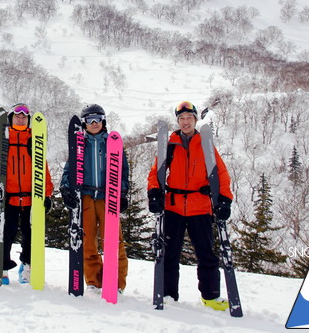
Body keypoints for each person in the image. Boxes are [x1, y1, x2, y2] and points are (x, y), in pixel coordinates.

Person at [146, 101, 233, 311]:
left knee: (206, 254)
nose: (186, 122)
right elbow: (155, 173)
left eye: (189, 118)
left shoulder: (205, 145)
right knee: (169, 253)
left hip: (200, 207)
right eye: (182, 119)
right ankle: (168, 294)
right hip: (174, 207)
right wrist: (154, 193)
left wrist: (225, 199)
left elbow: (221, 173)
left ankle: (210, 297)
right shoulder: (170, 145)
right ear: (178, 122)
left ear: (195, 120)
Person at [60, 104, 130, 293]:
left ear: (103, 121)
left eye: (97, 119)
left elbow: (123, 170)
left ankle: (116, 283)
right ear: (84, 123)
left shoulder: (112, 143)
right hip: (87, 197)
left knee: (114, 241)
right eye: (89, 120)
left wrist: (123, 192)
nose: (94, 123)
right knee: (88, 242)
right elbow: (69, 169)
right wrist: (65, 188)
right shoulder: (80, 144)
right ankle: (93, 281)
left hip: (109, 197)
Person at [0, 103, 53, 285]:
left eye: (24, 117)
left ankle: (27, 266)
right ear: (11, 119)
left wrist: (47, 194)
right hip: (10, 198)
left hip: (31, 198)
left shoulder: (34, 141)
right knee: (7, 232)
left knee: (30, 235)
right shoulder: (3, 141)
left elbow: (43, 170)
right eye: (17, 116)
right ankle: (3, 267)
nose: (21, 119)